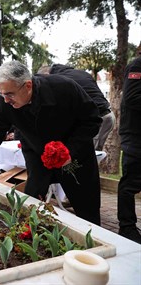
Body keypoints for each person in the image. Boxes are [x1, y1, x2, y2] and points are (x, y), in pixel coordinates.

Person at [0, 60, 103, 225]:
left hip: (75, 156)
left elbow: (92, 120)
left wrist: (69, 150)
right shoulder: (5, 103)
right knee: (32, 205)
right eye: (2, 94)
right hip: (37, 155)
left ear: (28, 86)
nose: (5, 100)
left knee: (87, 209)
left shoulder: (63, 88)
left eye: (10, 94)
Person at [38, 64, 115, 151]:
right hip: (108, 115)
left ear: (47, 74)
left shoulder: (58, 80)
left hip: (96, 119)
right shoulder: (81, 73)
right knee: (94, 152)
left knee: (86, 154)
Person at [117, 56, 141, 244]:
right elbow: (132, 98)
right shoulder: (137, 65)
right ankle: (127, 227)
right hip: (135, 136)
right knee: (130, 184)